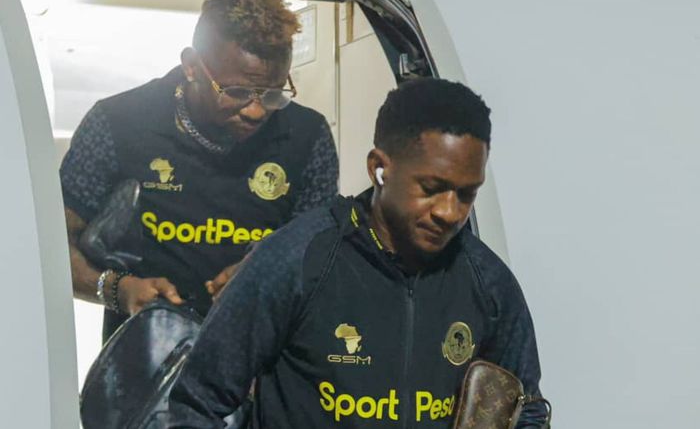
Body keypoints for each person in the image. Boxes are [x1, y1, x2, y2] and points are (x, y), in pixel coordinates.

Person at [167, 78, 548, 427]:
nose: (449, 212)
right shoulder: (296, 259)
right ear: (379, 168)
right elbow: (198, 402)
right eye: (431, 188)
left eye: (466, 194)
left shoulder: (489, 283)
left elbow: (526, 410)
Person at [60, 0, 338, 341]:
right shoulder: (118, 124)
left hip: (261, 356)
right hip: (147, 357)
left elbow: (324, 255)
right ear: (191, 66)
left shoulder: (307, 136)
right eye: (236, 92)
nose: (256, 112)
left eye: (273, 94)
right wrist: (117, 289)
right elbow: (53, 247)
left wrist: (270, 275)